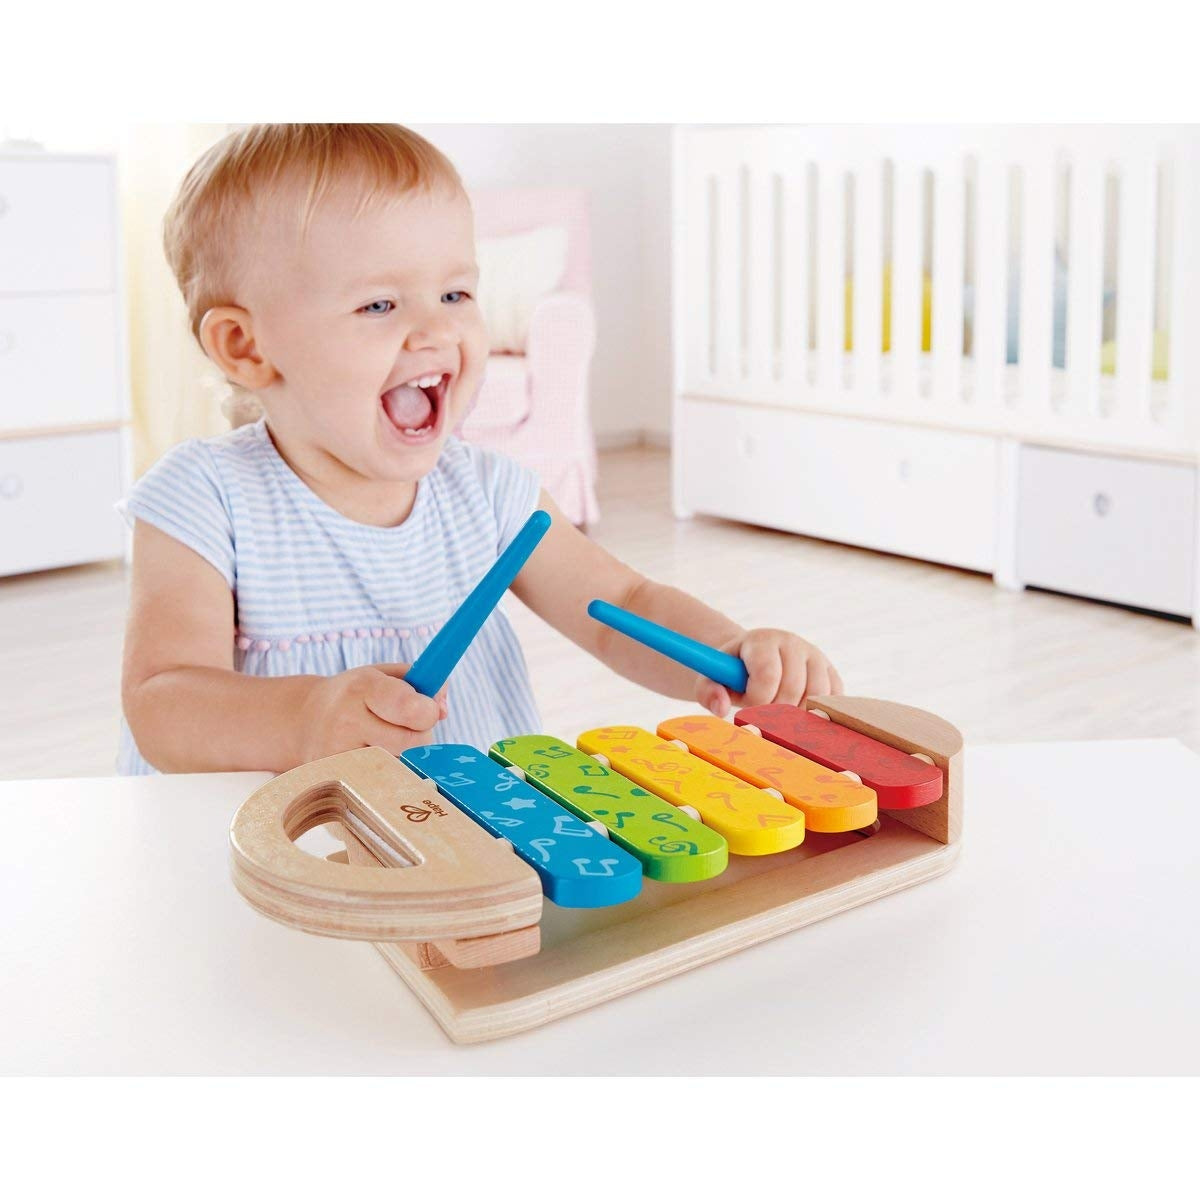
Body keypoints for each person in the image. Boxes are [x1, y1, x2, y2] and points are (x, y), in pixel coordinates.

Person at [119, 123, 842, 774]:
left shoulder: (490, 494)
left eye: (456, 295)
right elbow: (162, 701)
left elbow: (623, 605)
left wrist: (730, 652)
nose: (438, 331)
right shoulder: (206, 499)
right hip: (280, 844)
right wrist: (304, 718)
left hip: (467, 831)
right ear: (245, 347)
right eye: (379, 304)